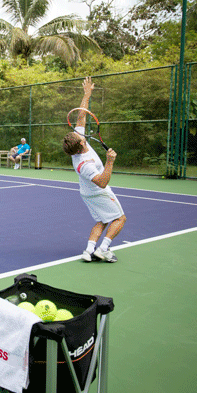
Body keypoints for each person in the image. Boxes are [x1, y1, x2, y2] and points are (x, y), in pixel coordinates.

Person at [62, 77, 126, 263]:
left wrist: (87, 94)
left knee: (103, 220)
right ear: (81, 143)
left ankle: (88, 250)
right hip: (98, 192)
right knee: (120, 219)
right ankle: (103, 249)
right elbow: (102, 182)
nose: (78, 130)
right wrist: (110, 161)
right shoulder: (85, 164)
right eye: (78, 135)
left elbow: (81, 115)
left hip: (87, 193)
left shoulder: (78, 142)